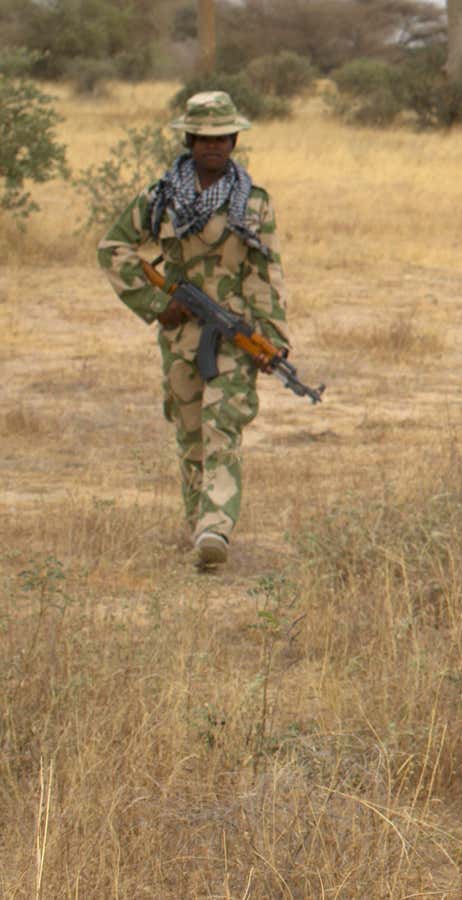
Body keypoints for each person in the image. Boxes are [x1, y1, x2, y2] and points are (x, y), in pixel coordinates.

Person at [97, 91, 289, 569]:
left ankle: (215, 527)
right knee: (190, 436)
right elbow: (113, 247)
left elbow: (266, 275)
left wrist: (272, 341)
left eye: (222, 137)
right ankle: (198, 527)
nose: (213, 146)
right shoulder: (160, 197)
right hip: (181, 337)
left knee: (222, 426)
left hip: (234, 335)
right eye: (203, 137)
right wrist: (157, 304)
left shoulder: (254, 204)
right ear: (188, 139)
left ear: (235, 139)